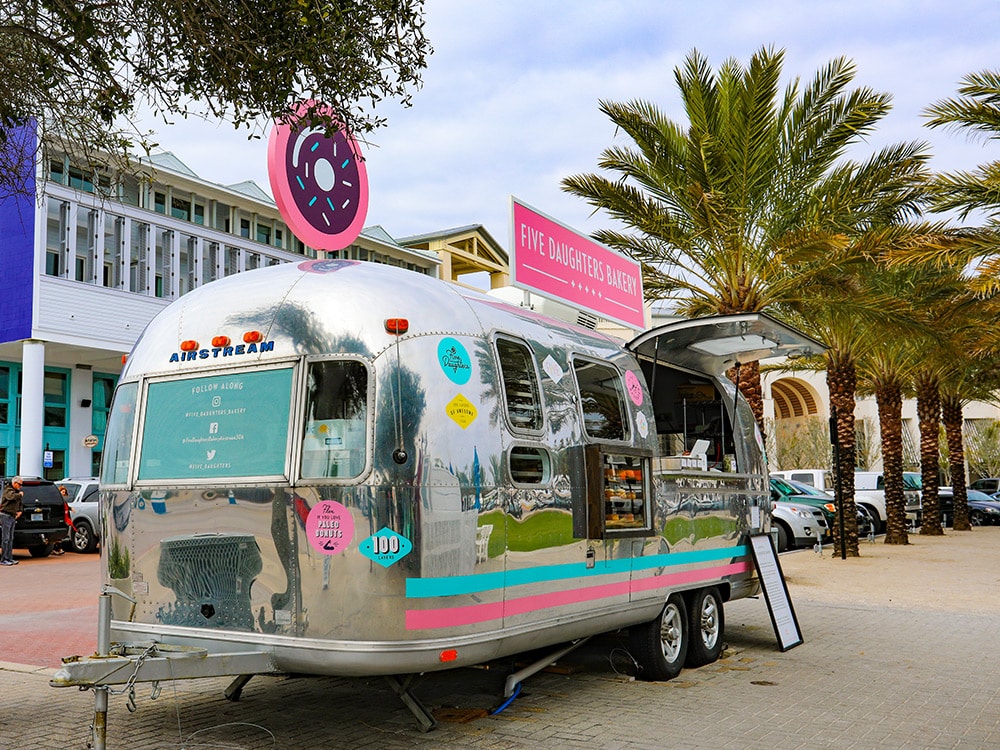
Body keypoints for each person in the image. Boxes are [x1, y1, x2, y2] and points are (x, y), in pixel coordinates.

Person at [1, 476, 24, 566]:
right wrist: (19, 495)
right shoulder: (8, 490)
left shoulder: (16, 492)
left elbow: (20, 502)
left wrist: (20, 511)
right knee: (5, 538)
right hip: (5, 515)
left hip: (12, 516)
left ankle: (9, 557)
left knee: (10, 538)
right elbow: (11, 497)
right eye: (20, 484)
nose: (21, 486)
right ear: (15, 483)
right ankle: (3, 559)